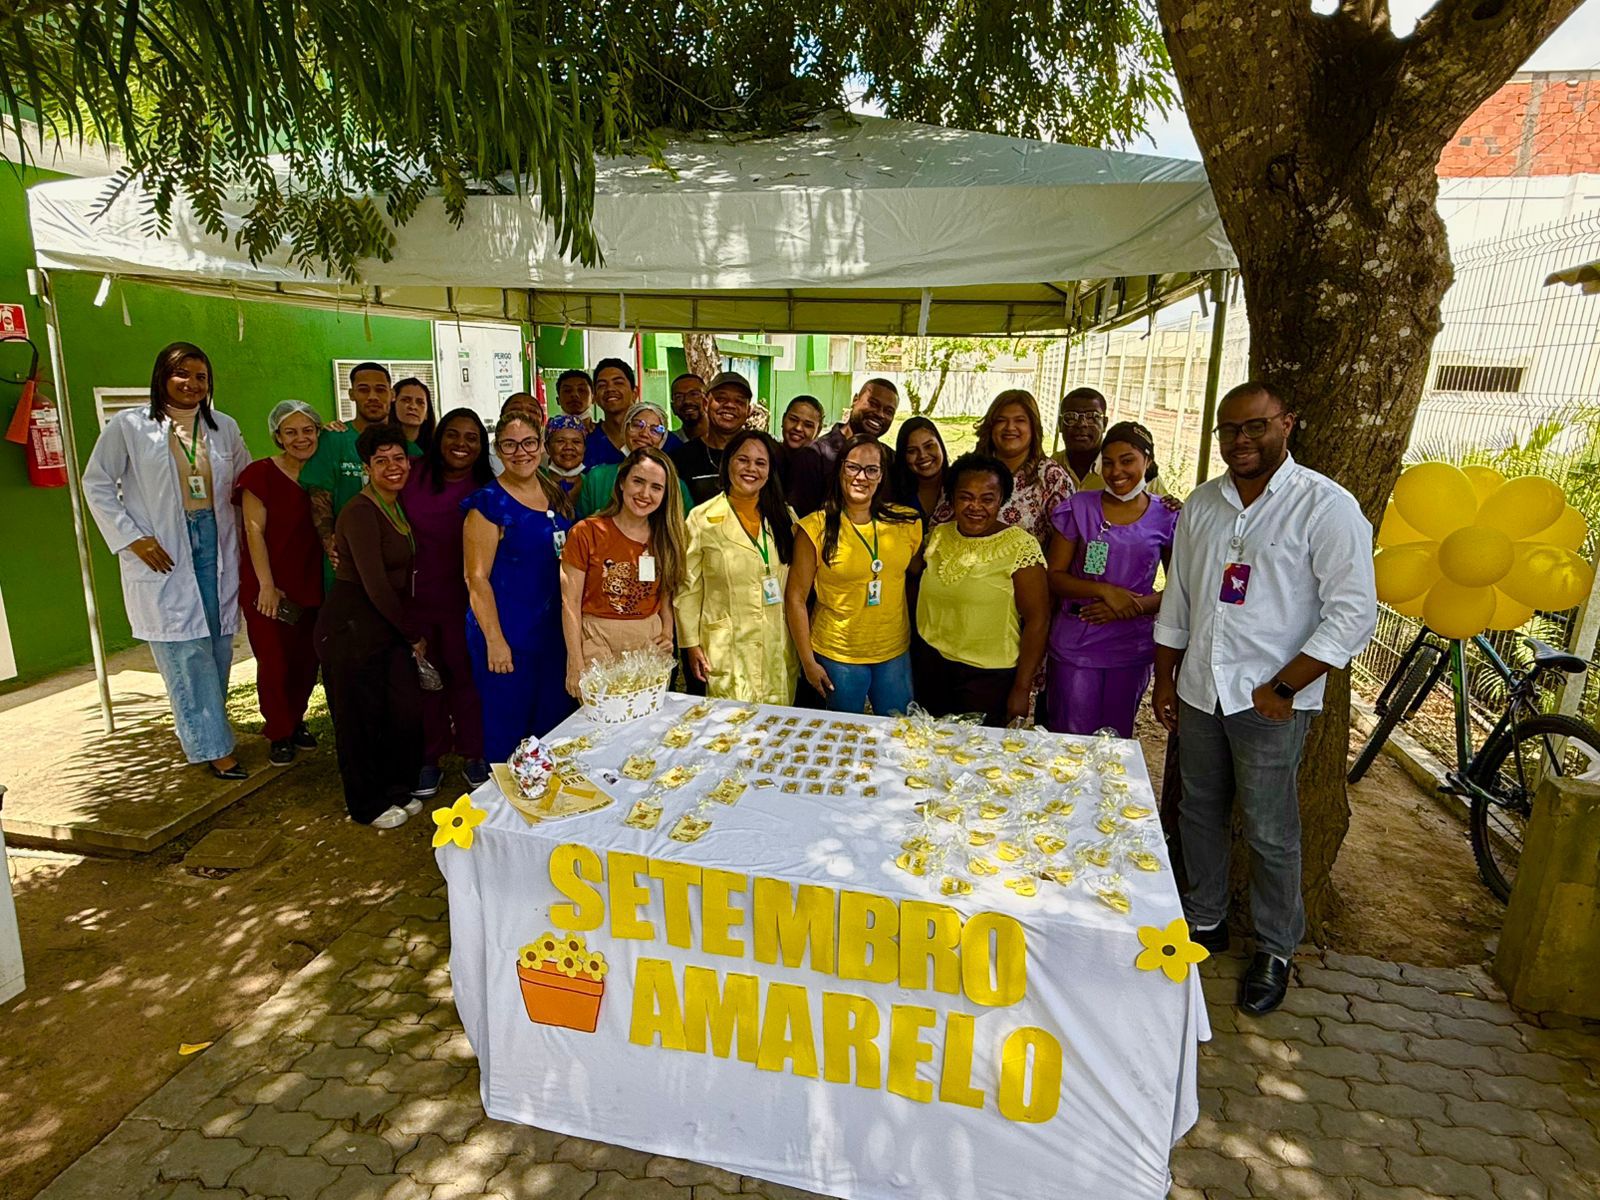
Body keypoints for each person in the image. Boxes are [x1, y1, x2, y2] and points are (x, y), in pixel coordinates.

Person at [1152, 382, 1376, 1016]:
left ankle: (1277, 947)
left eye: (1255, 426)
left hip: (1270, 700)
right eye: (1229, 430)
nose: (1240, 440)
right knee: (1198, 810)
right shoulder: (1203, 503)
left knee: (1271, 830)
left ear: (1287, 424)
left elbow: (1354, 612)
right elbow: (1180, 598)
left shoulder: (1325, 507)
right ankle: (1206, 919)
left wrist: (1284, 687)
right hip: (1201, 689)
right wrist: (1165, 679)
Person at [83, 342, 250, 779]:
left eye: (201, 377)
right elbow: (96, 483)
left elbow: (244, 484)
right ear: (162, 377)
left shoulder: (224, 427)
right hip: (164, 547)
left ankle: (207, 733)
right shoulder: (129, 426)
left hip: (216, 543)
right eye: (183, 374)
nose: (192, 384)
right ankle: (213, 747)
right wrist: (131, 538)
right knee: (184, 651)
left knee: (217, 645)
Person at [314, 423, 427, 829]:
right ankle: (365, 804)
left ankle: (396, 787)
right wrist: (412, 633)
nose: (393, 466)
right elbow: (375, 583)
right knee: (359, 719)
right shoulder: (360, 511)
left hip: (385, 624)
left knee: (400, 711)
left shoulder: (397, 504)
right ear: (367, 467)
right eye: (382, 461)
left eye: (399, 458)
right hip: (352, 625)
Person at [1045, 421, 1180, 738]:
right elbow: (1055, 577)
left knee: (1115, 741)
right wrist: (1105, 591)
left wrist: (1133, 607)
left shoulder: (1167, 516)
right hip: (1077, 643)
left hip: (1130, 646)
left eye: (1127, 460)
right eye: (1108, 462)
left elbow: (1181, 589)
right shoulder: (1080, 507)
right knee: (1070, 738)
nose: (1116, 471)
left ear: (1147, 460)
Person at [465, 413, 577, 759]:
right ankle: (505, 791)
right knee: (509, 727)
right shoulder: (487, 504)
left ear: (542, 446)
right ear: (498, 450)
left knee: (554, 725)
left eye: (529, 442)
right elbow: (476, 578)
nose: (521, 452)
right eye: (510, 445)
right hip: (508, 634)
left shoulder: (553, 492)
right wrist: (495, 641)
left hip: (552, 632)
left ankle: (547, 789)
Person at [786, 438, 922, 716]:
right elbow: (796, 598)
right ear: (840, 470)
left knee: (899, 729)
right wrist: (808, 662)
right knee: (843, 732)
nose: (861, 477)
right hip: (838, 653)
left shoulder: (906, 522)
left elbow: (917, 575)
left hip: (893, 650)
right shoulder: (814, 528)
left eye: (872, 470)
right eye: (853, 467)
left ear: (881, 476)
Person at [913, 453, 1049, 727]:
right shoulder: (939, 535)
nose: (975, 506)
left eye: (987, 499)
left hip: (988, 678)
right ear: (952, 498)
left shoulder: (1020, 547)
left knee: (978, 750)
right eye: (965, 497)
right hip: (931, 666)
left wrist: (1022, 687)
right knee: (931, 743)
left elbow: (1038, 620)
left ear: (1001, 500)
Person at [404, 408, 493, 794]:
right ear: (438, 437)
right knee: (425, 681)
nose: (461, 444)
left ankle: (474, 753)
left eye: (472, 438)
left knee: (467, 678)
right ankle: (429, 758)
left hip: (467, 602)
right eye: (453, 434)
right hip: (417, 598)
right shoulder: (413, 473)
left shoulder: (487, 487)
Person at [676, 431, 798, 705]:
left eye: (760, 463)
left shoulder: (785, 516)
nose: (751, 468)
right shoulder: (701, 519)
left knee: (775, 720)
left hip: (776, 640)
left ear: (770, 471)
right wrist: (691, 644)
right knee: (729, 721)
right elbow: (688, 587)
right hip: (726, 644)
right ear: (728, 462)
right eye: (743, 460)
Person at [235, 400, 325, 766]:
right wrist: (266, 585)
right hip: (268, 585)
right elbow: (253, 531)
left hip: (312, 581)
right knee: (274, 661)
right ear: (278, 436)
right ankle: (278, 732)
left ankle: (296, 719)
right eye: (291, 432)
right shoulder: (260, 474)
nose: (301, 438)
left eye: (308, 430)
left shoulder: (322, 473)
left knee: (306, 661)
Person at [560, 448, 686, 695]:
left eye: (656, 487)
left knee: (649, 715)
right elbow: (570, 603)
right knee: (604, 715)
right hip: (598, 641)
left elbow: (666, 593)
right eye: (638, 481)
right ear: (621, 483)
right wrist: (575, 662)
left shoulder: (665, 537)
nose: (645, 494)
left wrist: (666, 632)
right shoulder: (586, 532)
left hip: (648, 644)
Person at [302, 361, 393, 566]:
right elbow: (319, 497)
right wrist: (330, 542)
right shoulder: (333, 440)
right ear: (351, 394)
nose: (372, 397)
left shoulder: (406, 446)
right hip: (344, 558)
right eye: (363, 389)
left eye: (380, 389)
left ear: (392, 394)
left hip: (392, 557)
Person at [974, 389, 1074, 547]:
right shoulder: (970, 470)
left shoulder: (1052, 477)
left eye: (1019, 420)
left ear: (1033, 428)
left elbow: (1066, 540)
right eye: (1001, 420)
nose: (1010, 427)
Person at [785, 378, 899, 516]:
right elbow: (800, 517)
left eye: (888, 411)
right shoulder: (814, 456)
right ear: (855, 400)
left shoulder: (893, 461)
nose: (880, 414)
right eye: (873, 404)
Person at [577, 401, 692, 518]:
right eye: (637, 425)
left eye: (655, 430)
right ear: (625, 429)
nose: (644, 434)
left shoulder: (675, 486)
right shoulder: (597, 478)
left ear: (663, 439)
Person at [1051, 386, 1168, 495]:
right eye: (1071, 417)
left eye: (1092, 417)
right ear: (1060, 424)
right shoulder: (1050, 467)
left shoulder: (1136, 473)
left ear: (1105, 424)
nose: (1081, 424)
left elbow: (1165, 506)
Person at [670, 371, 754, 508]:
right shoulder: (681, 457)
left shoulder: (762, 456)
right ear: (705, 404)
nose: (730, 405)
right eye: (721, 399)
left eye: (739, 401)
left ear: (748, 410)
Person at [891, 416, 952, 527]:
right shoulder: (893, 493)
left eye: (929, 446)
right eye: (912, 451)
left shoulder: (959, 485)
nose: (922, 455)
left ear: (940, 445)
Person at [543, 414, 588, 502]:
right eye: (560, 441)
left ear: (584, 448)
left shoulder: (593, 485)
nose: (568, 447)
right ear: (547, 447)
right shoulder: (537, 482)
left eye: (576, 442)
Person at [391, 376, 435, 456]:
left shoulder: (436, 450)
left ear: (427, 413)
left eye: (420, 402)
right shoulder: (380, 445)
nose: (413, 406)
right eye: (405, 400)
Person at [670, 373, 708, 442]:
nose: (687, 401)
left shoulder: (725, 439)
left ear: (707, 401)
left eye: (694, 394)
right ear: (672, 407)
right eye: (679, 397)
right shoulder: (668, 443)